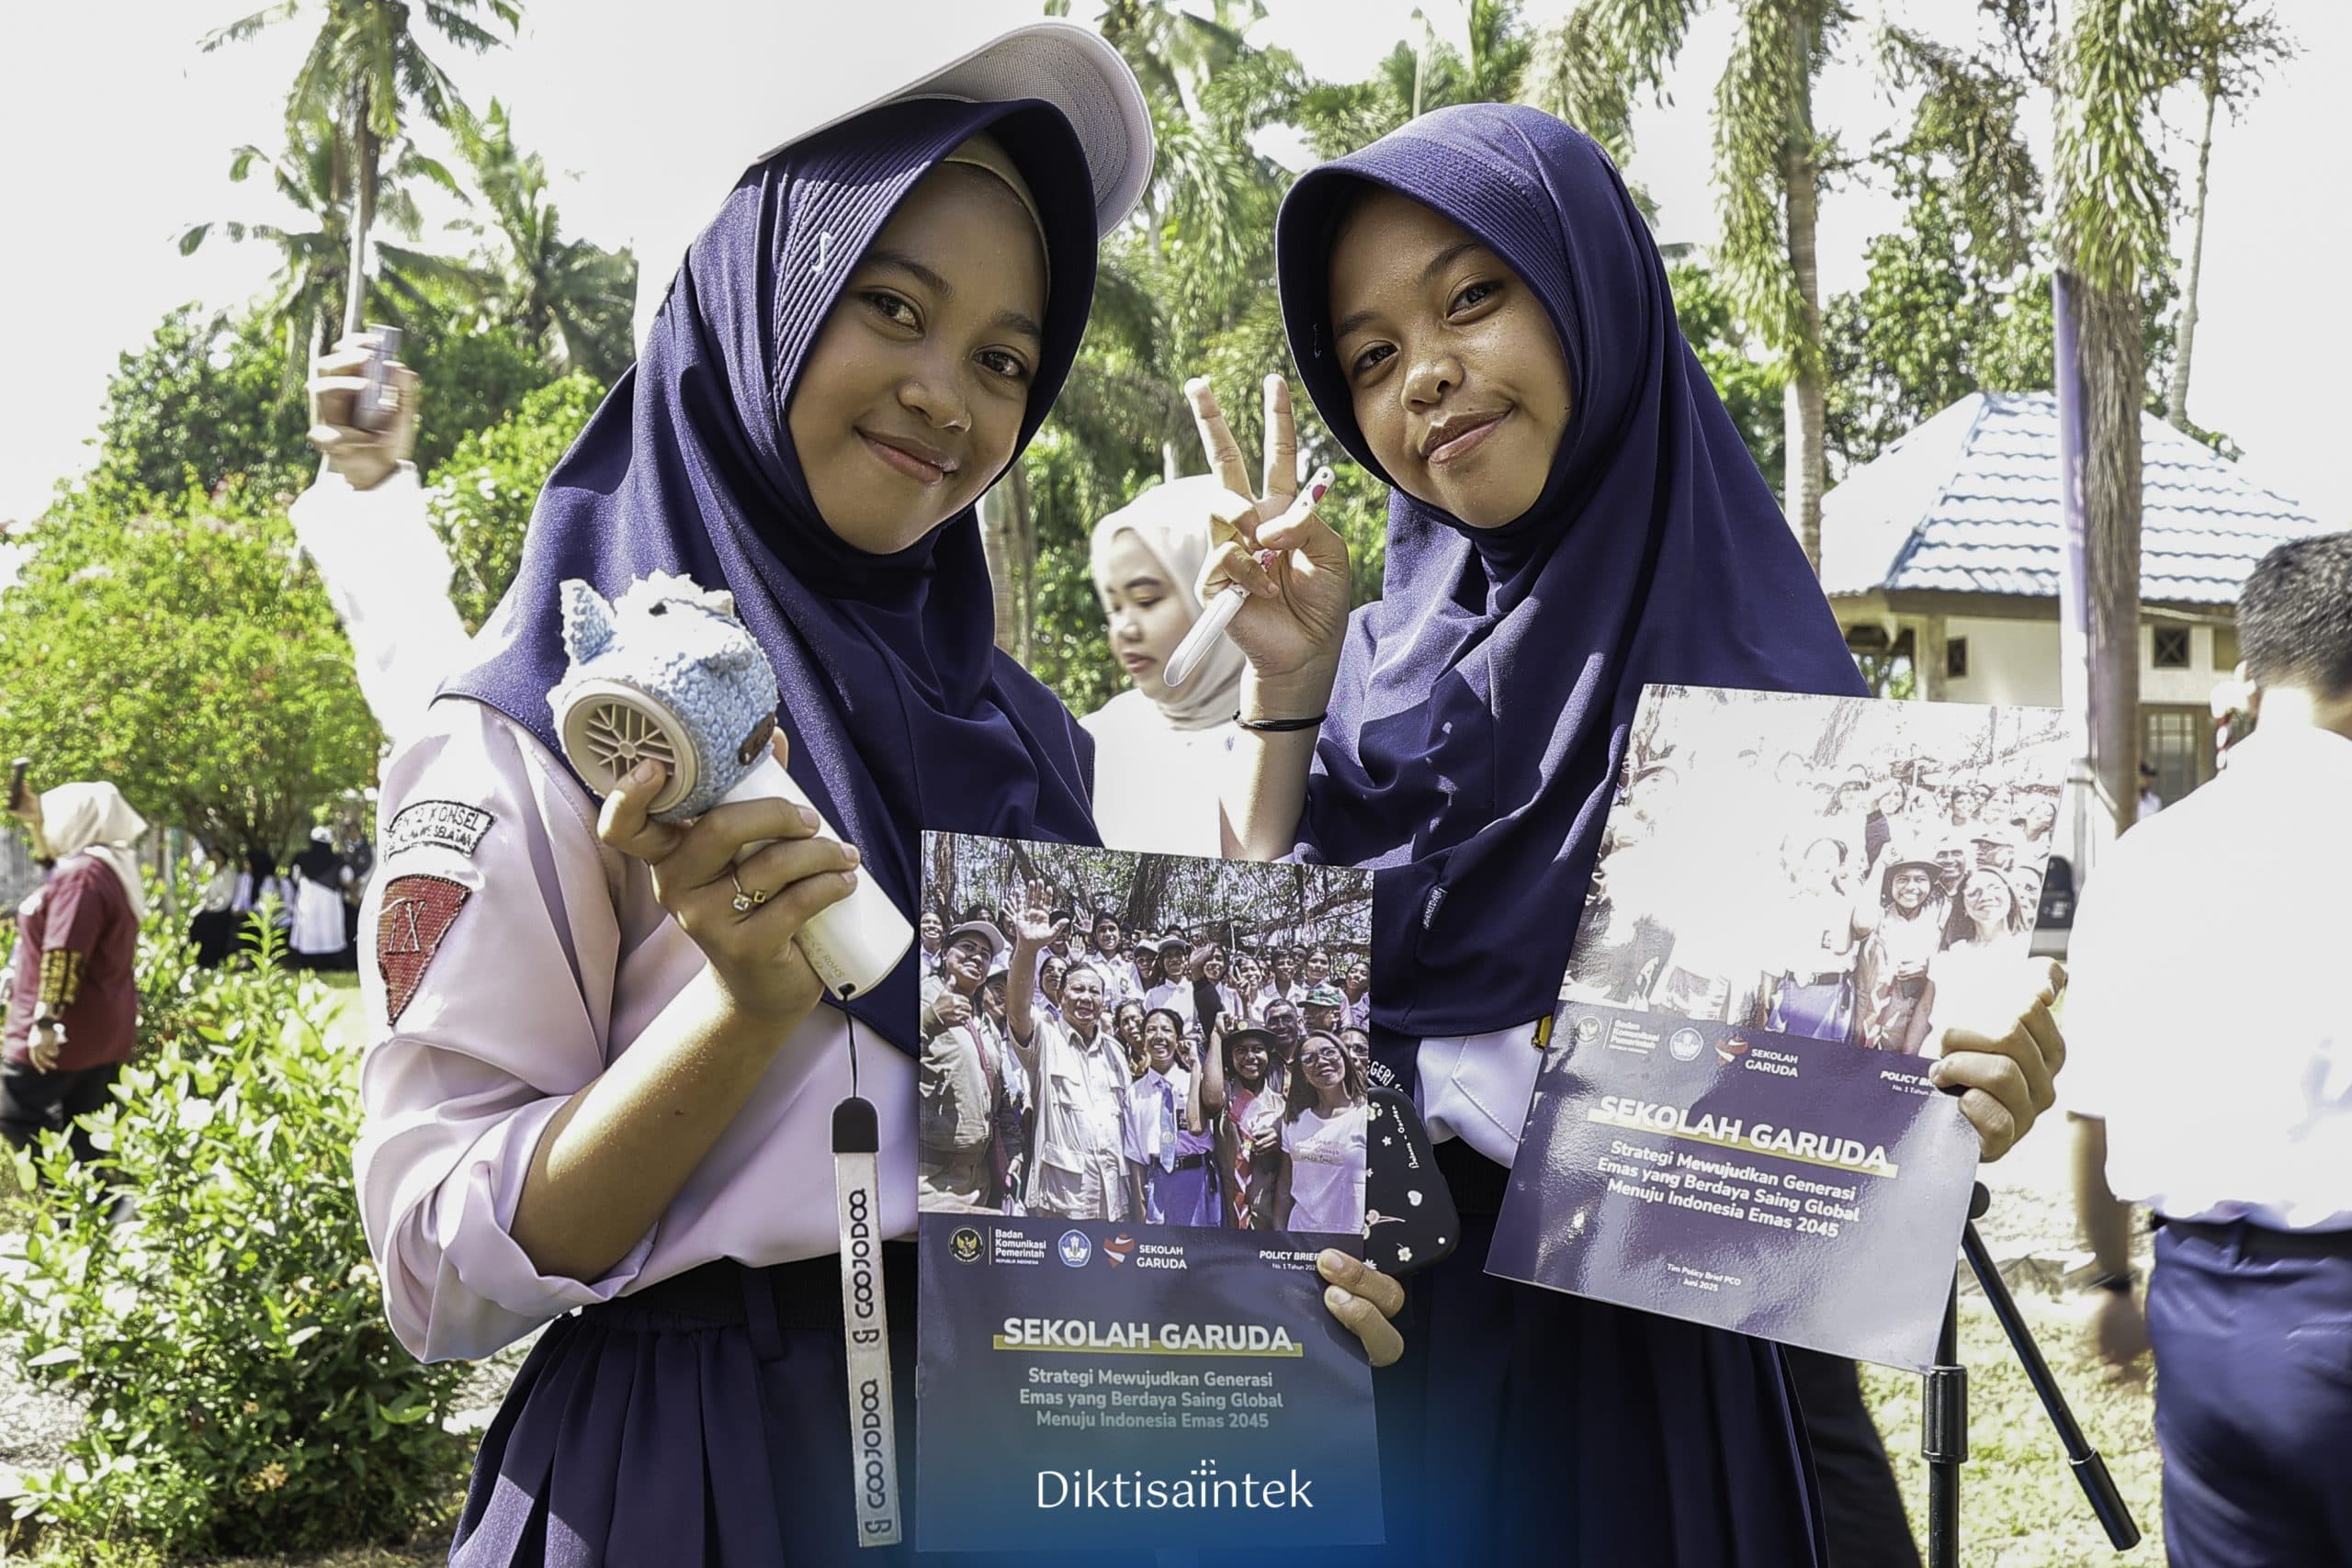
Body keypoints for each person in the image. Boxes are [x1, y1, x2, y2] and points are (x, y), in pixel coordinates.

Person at [343, 34, 1218, 1563]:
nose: (946, 396)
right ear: (760, 294)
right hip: (696, 1476)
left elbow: (1099, 1154)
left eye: (1005, 361)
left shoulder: (1026, 739)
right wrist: (739, 1011)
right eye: (894, 306)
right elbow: (435, 1272)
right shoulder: (558, 719)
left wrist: (1275, 1290)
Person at [1196, 102, 2067, 1563]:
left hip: (1683, 1372)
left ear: (1591, 295)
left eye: (1472, 295)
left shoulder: (1768, 682)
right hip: (1411, 1359)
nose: (1426, 373)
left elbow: (1838, 1132)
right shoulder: (1364, 664)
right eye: (1373, 355)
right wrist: (1284, 693)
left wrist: (1963, 1084)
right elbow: (1262, 1001)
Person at [2066, 533, 2352, 1568]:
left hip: (2204, 1314)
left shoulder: (2144, 858)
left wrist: (2111, 1281)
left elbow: (2092, 1116)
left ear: (2253, 669)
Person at [1082, 476, 1246, 857]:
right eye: (1114, 607)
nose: (1124, 629)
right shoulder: (1090, 742)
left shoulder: (1299, 745)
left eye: (1146, 599)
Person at [1, 784, 146, 1172]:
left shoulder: (81, 876)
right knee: (85, 1132)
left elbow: (65, 951)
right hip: (101, 1024)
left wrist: (47, 1021)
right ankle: (94, 1202)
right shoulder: (104, 867)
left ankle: (65, 1191)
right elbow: (50, 870)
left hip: (68, 1027)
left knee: (14, 1111)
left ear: (76, 820)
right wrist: (35, 824)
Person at [1003, 895, 1144, 1223]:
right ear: (1060, 995)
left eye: (1094, 992)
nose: (1086, 998)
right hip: (1062, 1201)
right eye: (1077, 989)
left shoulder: (1115, 1051)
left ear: (1104, 1001)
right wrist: (1027, 949)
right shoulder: (1044, 1038)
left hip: (1115, 1201)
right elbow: (1017, 1008)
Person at [917, 921, 1007, 1209]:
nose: (977, 957)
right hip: (930, 1176)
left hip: (978, 1178)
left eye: (985, 955)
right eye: (968, 947)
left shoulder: (985, 1018)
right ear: (944, 952)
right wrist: (932, 1017)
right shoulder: (922, 995)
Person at [1128, 1007, 1217, 1225]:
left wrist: (1195, 1068)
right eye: (1151, 1030)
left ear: (1178, 1039)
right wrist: (1140, 1205)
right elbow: (1135, 1156)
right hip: (1157, 1181)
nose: (1159, 1036)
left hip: (1195, 1178)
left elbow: (1198, 1127)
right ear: (1143, 1039)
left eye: (1167, 1030)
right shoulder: (1134, 1093)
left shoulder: (1193, 1080)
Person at [1275, 1032, 1368, 1234]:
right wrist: (1280, 1234)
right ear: (1302, 1073)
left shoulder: (1367, 1116)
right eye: (1309, 1059)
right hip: (1300, 1238)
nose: (1321, 1061)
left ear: (1344, 1057)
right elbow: (1285, 1185)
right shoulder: (1294, 1121)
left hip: (1352, 1241)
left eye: (1329, 1052)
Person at [1199, 1022, 1286, 1230]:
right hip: (1228, 1211)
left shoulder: (1281, 1106)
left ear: (1268, 1055)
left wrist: (1279, 1140)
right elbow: (1210, 1099)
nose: (1250, 1057)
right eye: (1241, 1051)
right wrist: (1216, 1035)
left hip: (1265, 1213)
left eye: (1258, 1049)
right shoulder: (1225, 1096)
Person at [288, 826, 356, 971]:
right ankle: (331, 963)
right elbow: (347, 878)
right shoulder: (338, 860)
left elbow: (295, 878)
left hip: (307, 898)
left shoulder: (300, 859)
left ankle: (308, 963)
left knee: (309, 931)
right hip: (330, 902)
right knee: (329, 932)